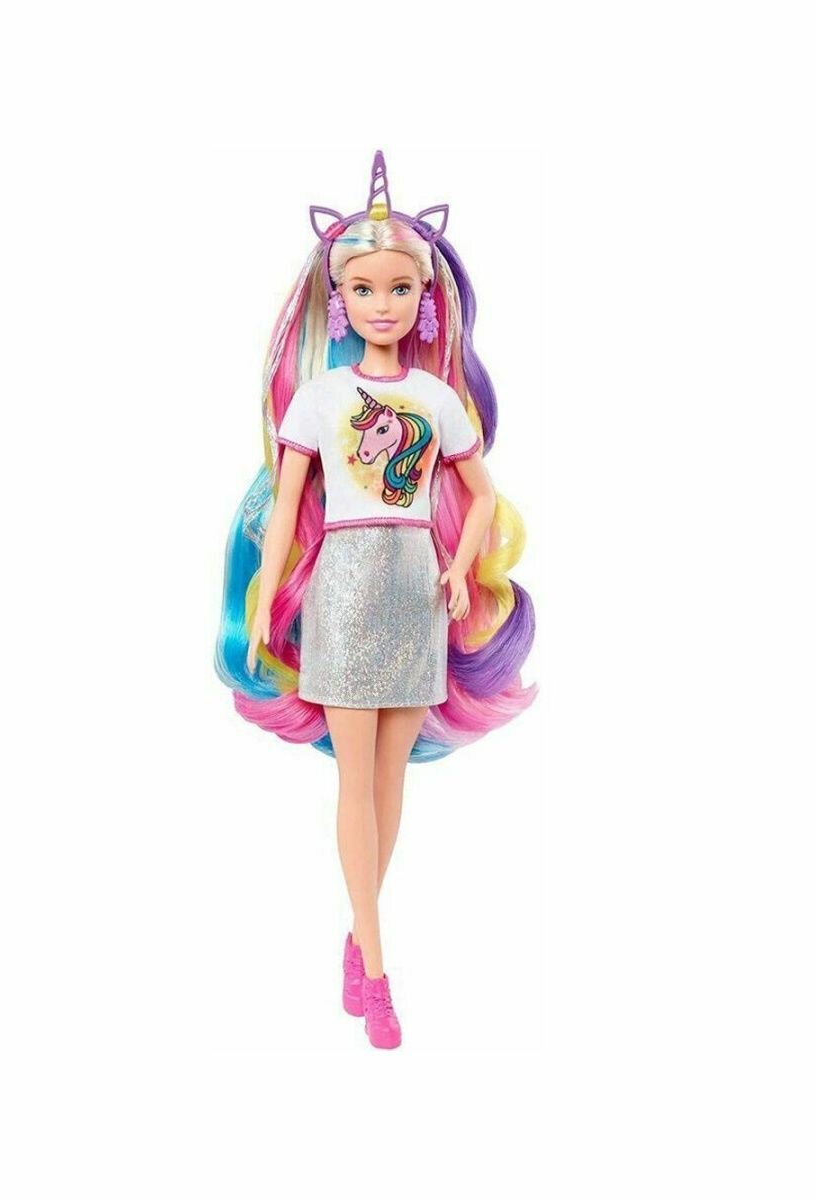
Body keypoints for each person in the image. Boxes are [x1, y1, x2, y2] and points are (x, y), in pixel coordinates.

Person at [214, 150, 537, 1049]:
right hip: (345, 586)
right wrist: (264, 592)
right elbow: (287, 504)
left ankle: (357, 939)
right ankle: (380, 970)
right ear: (339, 298)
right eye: (364, 289)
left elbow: (481, 497)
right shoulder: (320, 399)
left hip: (415, 589)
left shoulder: (437, 397)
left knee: (390, 780)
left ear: (423, 297)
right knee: (354, 777)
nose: (381, 304)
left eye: (398, 288)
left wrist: (459, 565)